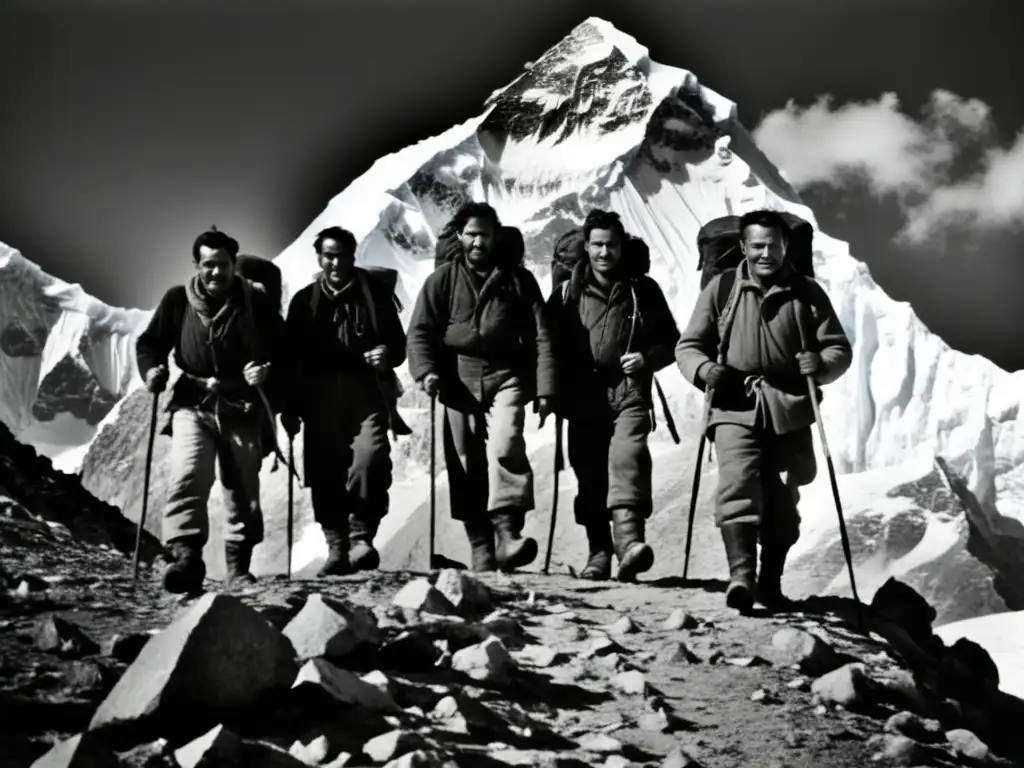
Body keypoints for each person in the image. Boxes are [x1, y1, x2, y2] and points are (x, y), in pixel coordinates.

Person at [675, 209, 853, 613]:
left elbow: (838, 347)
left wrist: (821, 365)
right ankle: (742, 579)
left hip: (788, 410)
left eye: (773, 245)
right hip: (733, 406)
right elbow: (689, 346)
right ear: (743, 247)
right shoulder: (721, 289)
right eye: (757, 246)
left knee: (782, 509)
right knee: (737, 484)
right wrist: (705, 371)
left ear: (784, 246)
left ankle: (769, 586)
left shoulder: (807, 292)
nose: (765, 253)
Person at [135, 227, 287, 594]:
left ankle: (238, 568)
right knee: (188, 473)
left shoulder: (257, 305)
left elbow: (286, 353)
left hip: (243, 406)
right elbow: (150, 344)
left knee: (243, 488)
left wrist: (267, 371)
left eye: (223, 265)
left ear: (234, 265)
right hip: (193, 401)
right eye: (208, 265)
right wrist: (153, 370)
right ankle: (186, 557)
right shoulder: (177, 301)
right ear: (196, 265)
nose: (216, 273)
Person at [406, 201, 556, 572]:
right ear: (460, 236)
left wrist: (545, 387)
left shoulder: (518, 280)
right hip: (457, 378)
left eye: (484, 234)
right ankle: (481, 547)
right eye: (471, 234)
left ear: (495, 237)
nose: (477, 242)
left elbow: (542, 336)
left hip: (507, 374)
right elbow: (421, 331)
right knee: (464, 460)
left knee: (507, 442)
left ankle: (508, 534)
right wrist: (426, 372)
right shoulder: (441, 281)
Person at [547, 210, 680, 582]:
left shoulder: (643, 290)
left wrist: (646, 358)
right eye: (597, 245)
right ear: (586, 247)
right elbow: (547, 345)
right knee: (589, 476)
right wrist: (550, 390)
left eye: (611, 245)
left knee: (628, 459)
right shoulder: (565, 293)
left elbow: (671, 341)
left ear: (623, 247)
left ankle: (628, 544)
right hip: (582, 397)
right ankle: (599, 554)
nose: (605, 252)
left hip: (630, 392)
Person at [280, 226, 407, 575]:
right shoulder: (304, 302)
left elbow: (398, 344)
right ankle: (336, 546)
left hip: (367, 394)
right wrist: (289, 407)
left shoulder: (375, 296)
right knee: (325, 472)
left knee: (371, 458)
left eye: (341, 256)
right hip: (319, 400)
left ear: (353, 257)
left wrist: (386, 354)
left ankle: (361, 536)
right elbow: (290, 360)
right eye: (328, 256)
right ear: (319, 258)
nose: (334, 263)